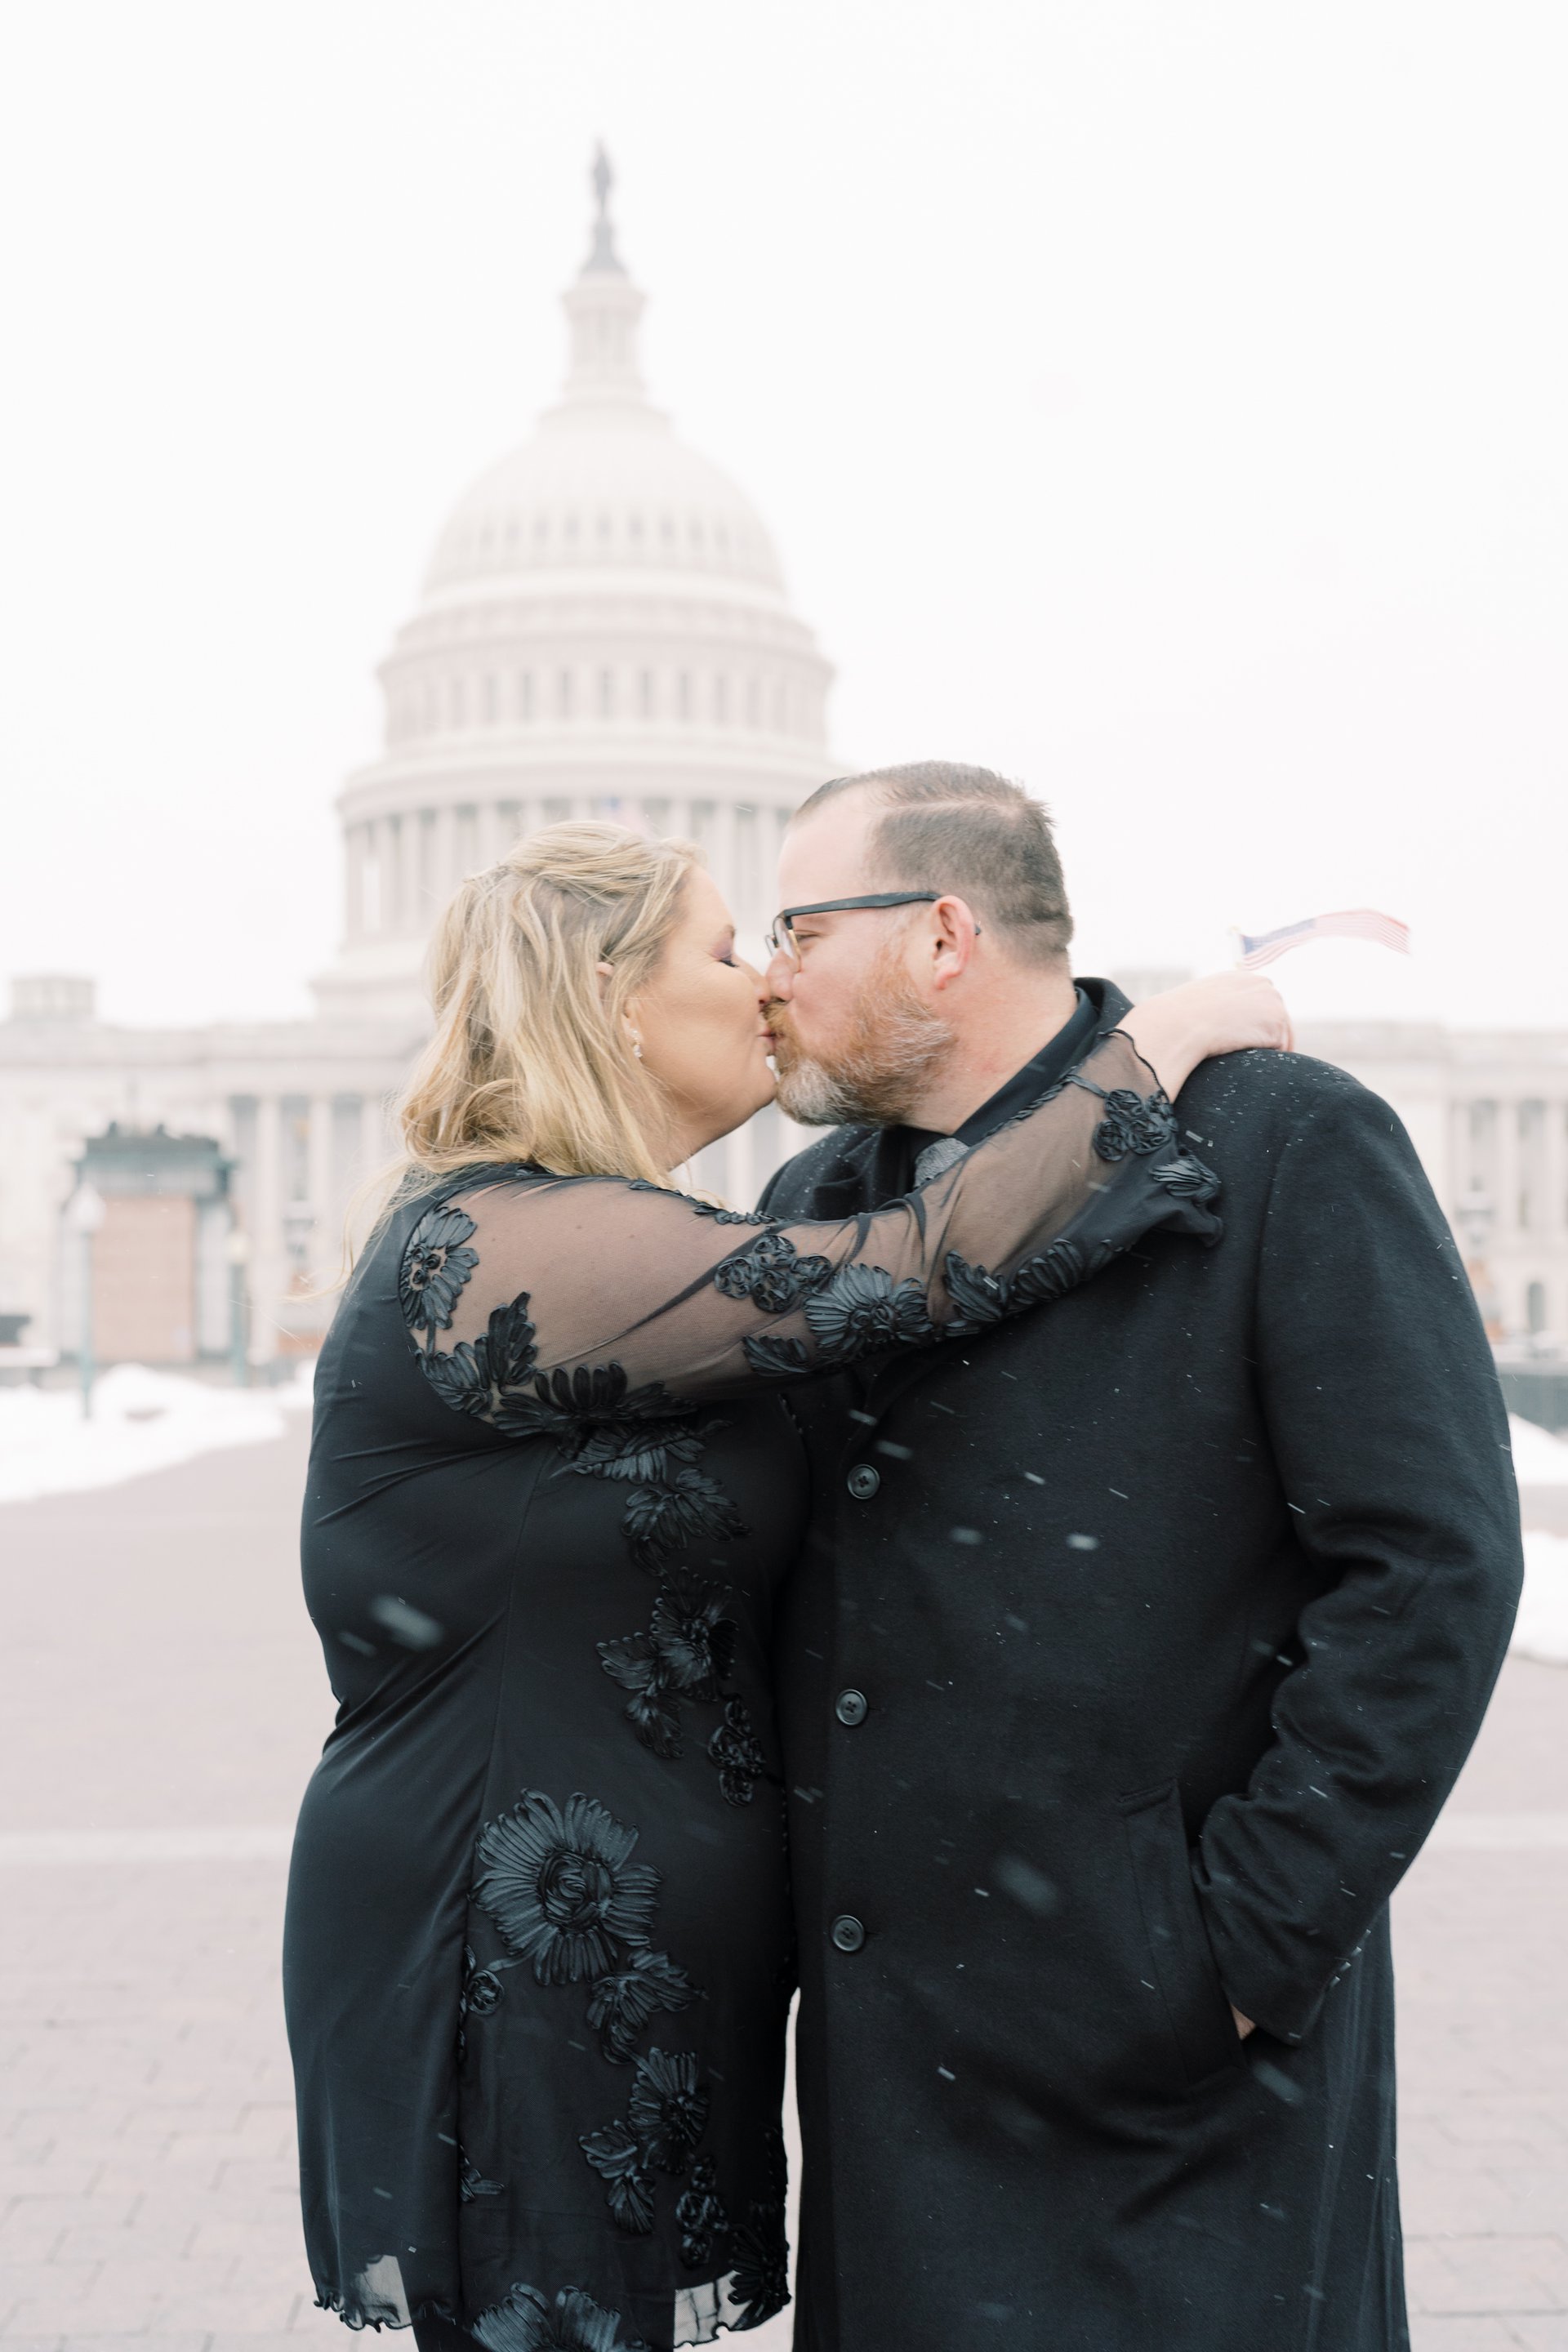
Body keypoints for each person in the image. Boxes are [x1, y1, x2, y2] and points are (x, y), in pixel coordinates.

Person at [283, 820, 1284, 2352]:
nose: (763, 978)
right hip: (516, 1937)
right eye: (724, 946)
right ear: (610, 998)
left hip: (623, 1943)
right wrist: (1151, 1054)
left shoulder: (626, 1242)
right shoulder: (497, 1244)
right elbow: (917, 1266)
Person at [757, 761, 1525, 2352]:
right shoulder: (817, 1201)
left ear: (942, 935)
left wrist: (1233, 1949)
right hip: (896, 2062)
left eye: (801, 930)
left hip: (1178, 2079)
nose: (773, 977)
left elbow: (1432, 1567)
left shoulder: (1282, 1143)